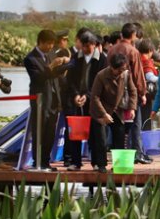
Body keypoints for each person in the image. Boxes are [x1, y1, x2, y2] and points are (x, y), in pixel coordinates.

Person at [23, 29, 71, 170]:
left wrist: (65, 64)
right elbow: (38, 78)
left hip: (54, 99)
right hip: (40, 100)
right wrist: (52, 66)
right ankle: (37, 161)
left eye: (52, 44)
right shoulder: (30, 59)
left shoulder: (51, 55)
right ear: (41, 42)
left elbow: (56, 75)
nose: (51, 47)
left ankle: (45, 161)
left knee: (51, 132)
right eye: (48, 44)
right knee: (39, 131)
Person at [62, 29, 106, 171]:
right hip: (78, 99)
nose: (86, 49)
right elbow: (70, 80)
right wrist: (76, 95)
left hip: (95, 100)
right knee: (76, 131)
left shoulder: (102, 59)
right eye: (83, 46)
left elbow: (100, 81)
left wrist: (87, 95)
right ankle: (75, 162)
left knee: (97, 132)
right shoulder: (76, 57)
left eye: (88, 46)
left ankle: (99, 163)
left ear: (94, 44)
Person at [110, 22, 152, 164]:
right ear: (133, 35)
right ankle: (137, 153)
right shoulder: (133, 51)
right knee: (135, 124)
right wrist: (142, 93)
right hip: (130, 94)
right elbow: (137, 74)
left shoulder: (112, 49)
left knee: (118, 127)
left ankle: (119, 157)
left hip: (113, 94)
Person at [89, 52, 137, 172]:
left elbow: (133, 91)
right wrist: (104, 114)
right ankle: (101, 164)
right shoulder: (101, 76)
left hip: (117, 110)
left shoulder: (126, 74)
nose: (121, 72)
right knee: (101, 139)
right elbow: (95, 97)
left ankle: (118, 164)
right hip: (101, 110)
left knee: (119, 137)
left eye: (123, 69)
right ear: (112, 67)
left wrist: (132, 108)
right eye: (119, 70)